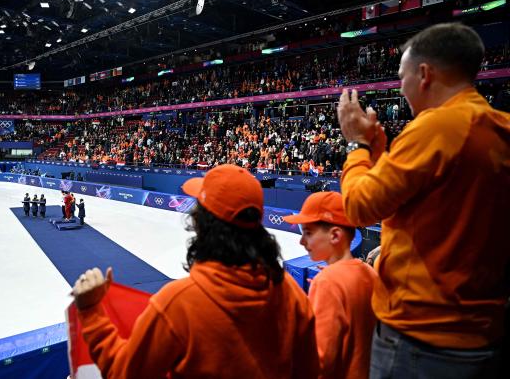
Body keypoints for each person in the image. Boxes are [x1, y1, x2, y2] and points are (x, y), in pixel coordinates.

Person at [336, 22, 510, 378]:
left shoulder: (438, 127)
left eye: (402, 77)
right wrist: (380, 145)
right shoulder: (497, 126)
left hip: (420, 336)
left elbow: (358, 206)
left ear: (425, 74)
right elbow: (422, 199)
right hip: (478, 332)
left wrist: (357, 145)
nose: (400, 88)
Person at [71, 164, 319, 378]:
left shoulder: (178, 304)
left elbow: (124, 373)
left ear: (201, 223)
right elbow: (308, 373)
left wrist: (92, 313)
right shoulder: (292, 296)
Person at [284, 192, 377, 379]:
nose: (302, 241)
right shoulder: (370, 273)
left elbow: (320, 359)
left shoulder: (327, 282)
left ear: (335, 235)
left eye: (308, 233)